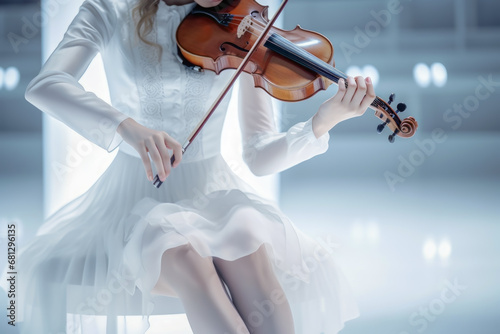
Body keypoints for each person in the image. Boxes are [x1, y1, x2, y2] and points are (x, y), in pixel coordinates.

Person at [7, 0, 375, 333]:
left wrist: (321, 123)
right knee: (184, 256)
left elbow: (260, 156)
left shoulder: (246, 26)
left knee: (247, 244)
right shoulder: (109, 9)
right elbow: (46, 84)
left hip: (214, 195)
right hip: (134, 200)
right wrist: (126, 128)